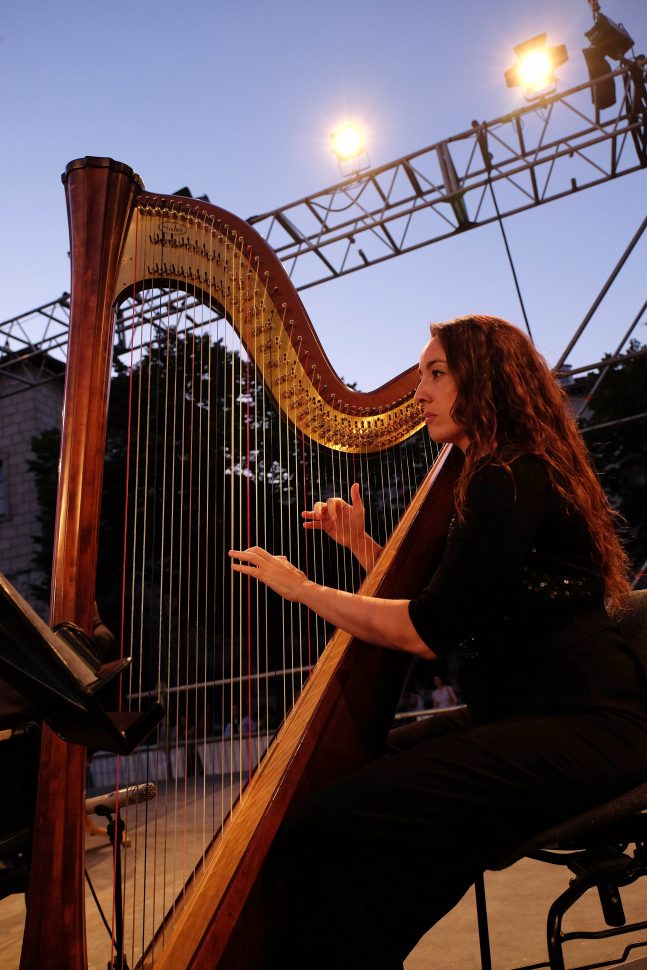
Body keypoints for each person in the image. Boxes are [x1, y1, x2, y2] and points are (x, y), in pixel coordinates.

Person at [229, 314, 647, 970]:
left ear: (486, 380)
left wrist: (299, 586)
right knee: (325, 789)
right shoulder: (498, 473)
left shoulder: (503, 479)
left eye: (435, 373)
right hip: (528, 715)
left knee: (333, 816)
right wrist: (361, 546)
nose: (417, 392)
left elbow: (424, 633)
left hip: (584, 726)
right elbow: (450, 602)